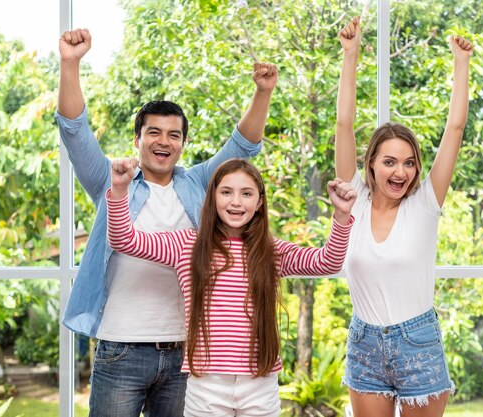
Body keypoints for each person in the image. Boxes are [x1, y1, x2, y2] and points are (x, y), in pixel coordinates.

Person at [56, 28, 278, 417]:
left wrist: (262, 93)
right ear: (138, 138)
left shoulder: (198, 183)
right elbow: (75, 131)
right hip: (121, 347)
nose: (164, 141)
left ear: (183, 143)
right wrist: (71, 63)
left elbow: (243, 145)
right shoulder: (113, 179)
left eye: (174, 135)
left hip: (184, 353)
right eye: (153, 132)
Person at [105, 158, 356, 417]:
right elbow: (124, 239)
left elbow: (327, 262)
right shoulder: (187, 245)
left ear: (259, 202)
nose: (236, 202)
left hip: (260, 383)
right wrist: (120, 191)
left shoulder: (271, 251)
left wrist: (341, 215)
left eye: (246, 194)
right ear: (212, 197)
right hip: (206, 384)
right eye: (226, 192)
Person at [335, 17, 474, 416]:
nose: (401, 172)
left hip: (418, 343)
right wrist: (351, 56)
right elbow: (344, 125)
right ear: (372, 165)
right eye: (390, 162)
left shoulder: (426, 203)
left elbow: (455, 128)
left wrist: (460, 65)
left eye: (410, 163)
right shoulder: (353, 198)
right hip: (364, 344)